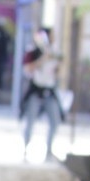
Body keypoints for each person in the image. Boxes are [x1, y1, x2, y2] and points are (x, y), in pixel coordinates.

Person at [22, 28, 64, 161]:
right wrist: (42, 59)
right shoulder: (34, 51)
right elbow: (27, 69)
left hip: (49, 90)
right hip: (35, 90)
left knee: (55, 121)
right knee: (30, 121)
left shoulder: (55, 53)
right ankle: (25, 150)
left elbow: (58, 72)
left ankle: (49, 151)